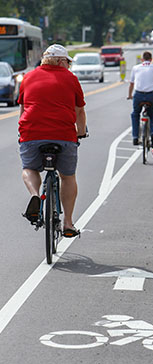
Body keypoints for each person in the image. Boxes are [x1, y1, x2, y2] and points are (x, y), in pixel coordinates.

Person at [18, 44, 87, 238]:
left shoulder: (28, 77)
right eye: (68, 62)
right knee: (67, 176)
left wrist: (23, 130)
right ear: (61, 61)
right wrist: (80, 132)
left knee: (29, 168)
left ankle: (34, 195)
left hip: (31, 133)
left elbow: (23, 108)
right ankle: (68, 223)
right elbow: (79, 111)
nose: (69, 66)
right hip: (63, 135)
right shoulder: (71, 79)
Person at [127, 51, 153, 146]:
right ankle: (152, 134)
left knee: (135, 114)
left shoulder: (136, 68)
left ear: (142, 59)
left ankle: (135, 137)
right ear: (151, 59)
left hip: (138, 95)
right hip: (151, 95)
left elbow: (131, 83)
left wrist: (130, 95)